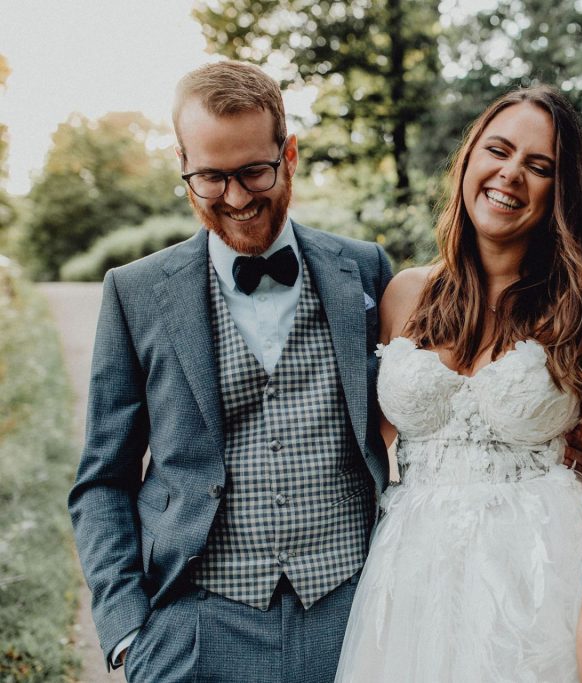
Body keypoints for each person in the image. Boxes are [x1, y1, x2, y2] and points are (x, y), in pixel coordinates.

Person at [335, 86, 582, 681]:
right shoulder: (404, 295)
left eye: (538, 166)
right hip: (413, 580)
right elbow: (361, 443)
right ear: (468, 160)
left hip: (541, 576)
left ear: (558, 192)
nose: (511, 174)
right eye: (498, 150)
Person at [68, 61, 392, 682]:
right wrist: (129, 631)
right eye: (211, 178)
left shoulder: (366, 271)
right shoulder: (133, 294)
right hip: (194, 625)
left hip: (351, 612)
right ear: (184, 168)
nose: (237, 198)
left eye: (254, 171)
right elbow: (102, 480)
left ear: (289, 153)